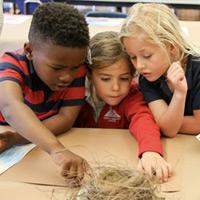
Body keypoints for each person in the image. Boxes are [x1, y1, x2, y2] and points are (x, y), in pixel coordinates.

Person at [0, 2, 90, 184]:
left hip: (27, 141)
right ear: (29, 51)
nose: (67, 77)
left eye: (75, 67)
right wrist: (56, 149)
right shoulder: (11, 65)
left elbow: (65, 118)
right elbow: (10, 106)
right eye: (57, 67)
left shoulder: (75, 68)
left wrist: (17, 138)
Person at [75, 31, 171, 182]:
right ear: (89, 75)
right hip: (85, 166)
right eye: (105, 79)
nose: (115, 88)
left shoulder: (132, 94)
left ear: (134, 74)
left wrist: (150, 151)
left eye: (124, 78)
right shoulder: (76, 93)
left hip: (119, 166)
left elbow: (143, 119)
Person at [120, 3, 200, 137]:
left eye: (147, 56)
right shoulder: (147, 77)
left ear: (171, 48)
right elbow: (169, 130)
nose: (139, 66)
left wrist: (164, 121)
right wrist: (179, 94)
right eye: (133, 57)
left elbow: (197, 125)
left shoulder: (197, 69)